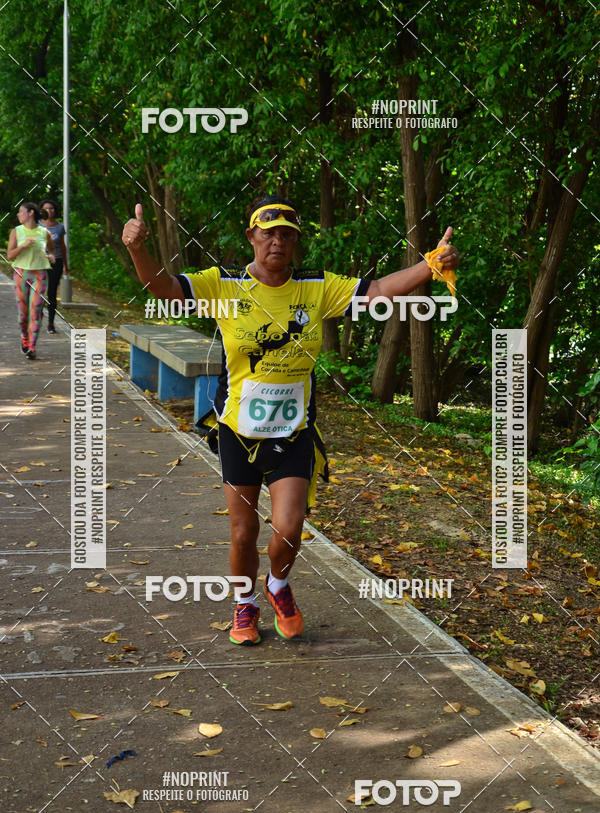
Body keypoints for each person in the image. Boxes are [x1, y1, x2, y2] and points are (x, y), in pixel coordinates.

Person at [121, 195, 459, 646]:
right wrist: (137, 249)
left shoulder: (316, 287)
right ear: (252, 237)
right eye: (268, 232)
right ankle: (244, 603)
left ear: (295, 241)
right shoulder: (224, 285)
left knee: (289, 526)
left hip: (293, 432)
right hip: (238, 431)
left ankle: (277, 585)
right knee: (243, 533)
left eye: (286, 233)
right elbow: (164, 290)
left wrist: (431, 265)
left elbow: (377, 291)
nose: (277, 240)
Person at [7, 202, 55, 359]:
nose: (18, 214)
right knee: (23, 315)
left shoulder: (44, 232)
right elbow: (10, 255)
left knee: (36, 310)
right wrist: (24, 246)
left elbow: (52, 250)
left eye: (21, 211)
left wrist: (51, 256)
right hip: (21, 274)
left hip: (39, 275)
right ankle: (25, 339)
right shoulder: (17, 232)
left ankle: (32, 347)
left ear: (30, 213)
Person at [40, 199, 69, 333]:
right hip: (39, 261)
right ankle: (37, 318)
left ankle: (51, 323)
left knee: (52, 293)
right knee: (39, 290)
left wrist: (65, 265)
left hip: (55, 262)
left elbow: (63, 247)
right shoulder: (37, 225)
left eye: (51, 208)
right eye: (46, 208)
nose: (49, 211)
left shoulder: (59, 227)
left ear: (55, 210)